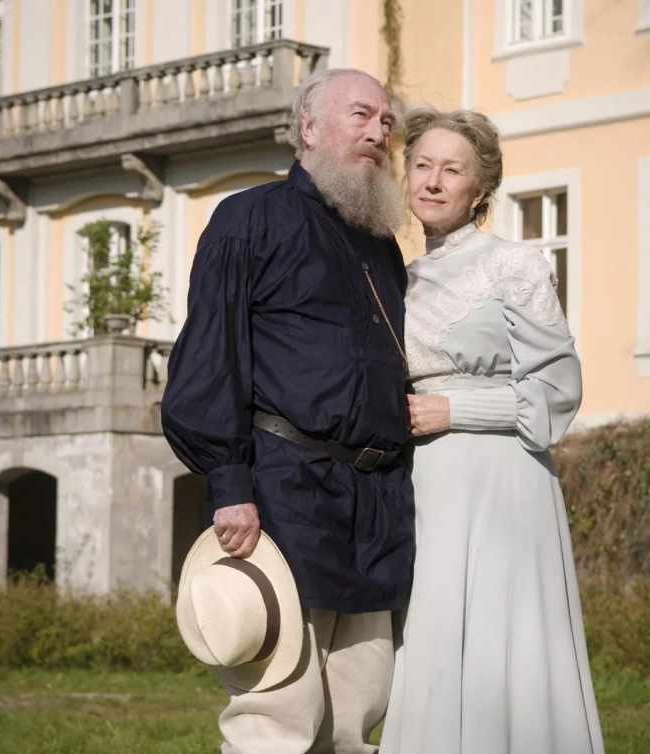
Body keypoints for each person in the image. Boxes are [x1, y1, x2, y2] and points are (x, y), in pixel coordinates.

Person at [160, 68, 413, 754]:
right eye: (361, 115)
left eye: (385, 122)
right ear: (309, 127)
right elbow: (212, 357)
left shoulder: (380, 242)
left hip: (375, 503)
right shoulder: (250, 218)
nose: (378, 133)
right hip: (284, 491)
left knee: (357, 717)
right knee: (278, 713)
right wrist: (230, 484)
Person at [379, 107, 605, 753]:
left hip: (505, 483)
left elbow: (561, 390)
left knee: (508, 641)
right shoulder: (399, 278)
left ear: (480, 190)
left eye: (452, 170)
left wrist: (459, 411)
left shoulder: (516, 264)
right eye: (421, 165)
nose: (433, 180)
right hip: (427, 484)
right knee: (433, 633)